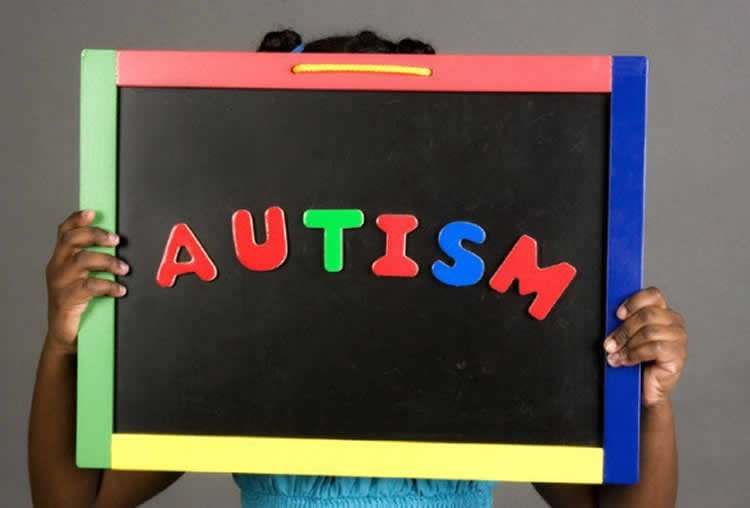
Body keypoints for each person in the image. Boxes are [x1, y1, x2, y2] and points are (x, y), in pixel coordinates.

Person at [28, 30, 688, 508]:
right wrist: (62, 344)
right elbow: (74, 502)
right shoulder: (240, 342)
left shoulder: (487, 344)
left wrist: (648, 404)